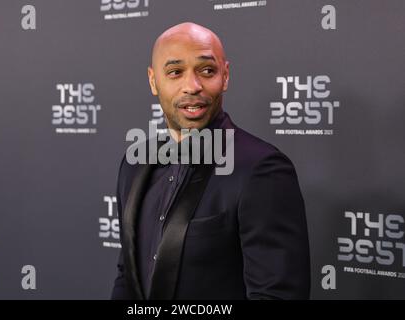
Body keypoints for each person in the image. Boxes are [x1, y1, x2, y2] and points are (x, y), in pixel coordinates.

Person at [111, 22, 310, 300]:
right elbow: (128, 275)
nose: (192, 86)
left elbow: (276, 295)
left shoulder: (261, 169)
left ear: (225, 76)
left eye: (207, 71)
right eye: (175, 72)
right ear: (153, 81)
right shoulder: (134, 164)